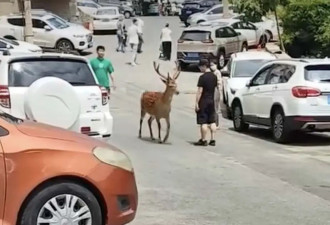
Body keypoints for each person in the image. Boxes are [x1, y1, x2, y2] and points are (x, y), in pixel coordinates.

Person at [194, 59, 218, 146]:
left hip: (203, 101)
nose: (200, 69)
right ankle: (213, 139)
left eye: (200, 67)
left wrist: (196, 102)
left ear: (204, 66)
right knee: (212, 121)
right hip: (211, 100)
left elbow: (200, 91)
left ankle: (203, 139)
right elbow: (215, 89)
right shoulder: (214, 77)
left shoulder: (202, 77)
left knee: (203, 121)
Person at [210, 61, 222, 129]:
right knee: (212, 108)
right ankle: (212, 122)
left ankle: (216, 124)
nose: (212, 66)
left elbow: (219, 82)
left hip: (216, 90)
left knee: (215, 108)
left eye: (213, 65)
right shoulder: (212, 72)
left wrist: (220, 92)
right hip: (212, 91)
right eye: (211, 65)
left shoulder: (217, 72)